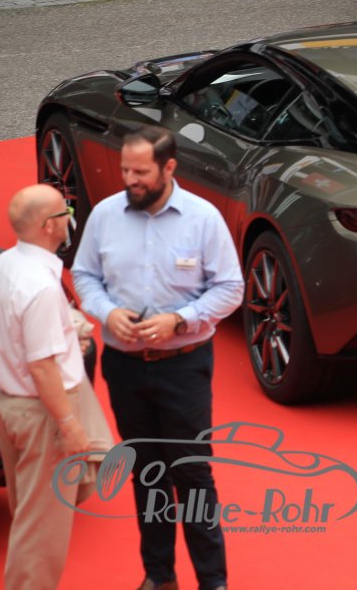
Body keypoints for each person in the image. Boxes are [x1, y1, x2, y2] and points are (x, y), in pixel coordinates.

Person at [72, 126, 243, 590]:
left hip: (184, 365)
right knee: (147, 474)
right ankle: (159, 577)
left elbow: (231, 288)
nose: (130, 179)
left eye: (141, 172)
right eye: (126, 169)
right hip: (124, 367)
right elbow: (84, 275)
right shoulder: (105, 215)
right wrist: (107, 312)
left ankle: (213, 581)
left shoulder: (203, 219)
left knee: (192, 473)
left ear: (169, 167)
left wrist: (180, 320)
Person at [0, 184, 113, 590]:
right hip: (45, 414)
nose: (70, 219)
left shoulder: (1, 266)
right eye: (65, 213)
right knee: (41, 535)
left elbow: (18, 338)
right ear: (47, 226)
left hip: (11, 407)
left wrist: (68, 339)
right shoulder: (39, 285)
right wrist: (69, 424)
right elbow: (41, 368)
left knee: (30, 518)